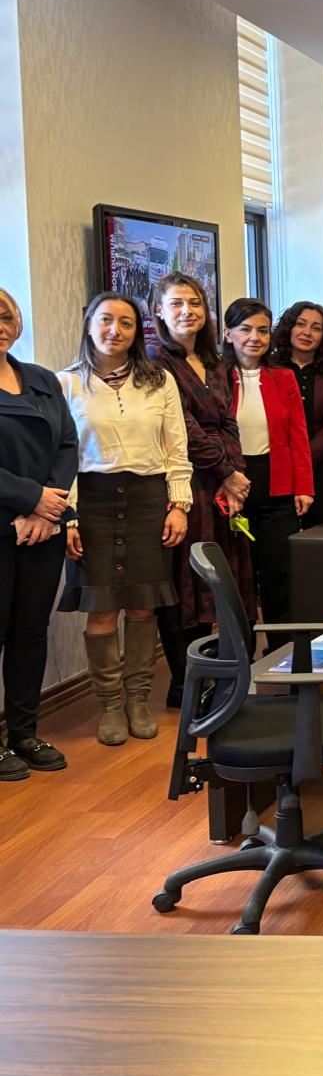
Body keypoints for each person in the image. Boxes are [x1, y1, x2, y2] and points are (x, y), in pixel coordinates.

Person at [58, 291, 191, 745]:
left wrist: (179, 504)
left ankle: (137, 700)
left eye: (127, 323)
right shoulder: (66, 383)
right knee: (100, 610)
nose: (115, 330)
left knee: (142, 605)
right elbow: (62, 457)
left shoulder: (159, 381)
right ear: (89, 325)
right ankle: (110, 705)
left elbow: (177, 448)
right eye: (106, 320)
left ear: (139, 331)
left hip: (148, 499)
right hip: (91, 502)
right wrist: (68, 516)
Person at [148, 272, 255, 712]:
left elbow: (228, 420)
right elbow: (184, 430)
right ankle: (184, 683)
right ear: (158, 311)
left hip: (222, 480)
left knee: (221, 579)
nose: (186, 312)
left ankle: (220, 674)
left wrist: (236, 475)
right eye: (175, 304)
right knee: (187, 581)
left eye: (194, 303)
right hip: (183, 482)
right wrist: (227, 472)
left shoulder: (216, 362)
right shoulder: (156, 361)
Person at [0, 289, 78, 775]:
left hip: (41, 530)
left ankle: (24, 733)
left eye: (6, 315)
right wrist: (30, 499)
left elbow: (67, 444)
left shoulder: (41, 379)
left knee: (29, 632)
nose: (0, 324)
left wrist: (47, 508)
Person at [220, 298, 313, 625]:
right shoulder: (214, 377)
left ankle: (280, 649)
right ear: (228, 333)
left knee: (279, 574)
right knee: (236, 575)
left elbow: (298, 436)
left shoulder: (283, 377)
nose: (254, 338)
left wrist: (304, 486)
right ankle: (238, 652)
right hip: (229, 486)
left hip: (278, 485)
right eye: (245, 329)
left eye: (262, 330)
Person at [270, 301, 323, 527]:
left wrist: (302, 462)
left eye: (316, 328)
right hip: (279, 463)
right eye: (300, 324)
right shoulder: (271, 367)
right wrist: (290, 462)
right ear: (289, 328)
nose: (307, 332)